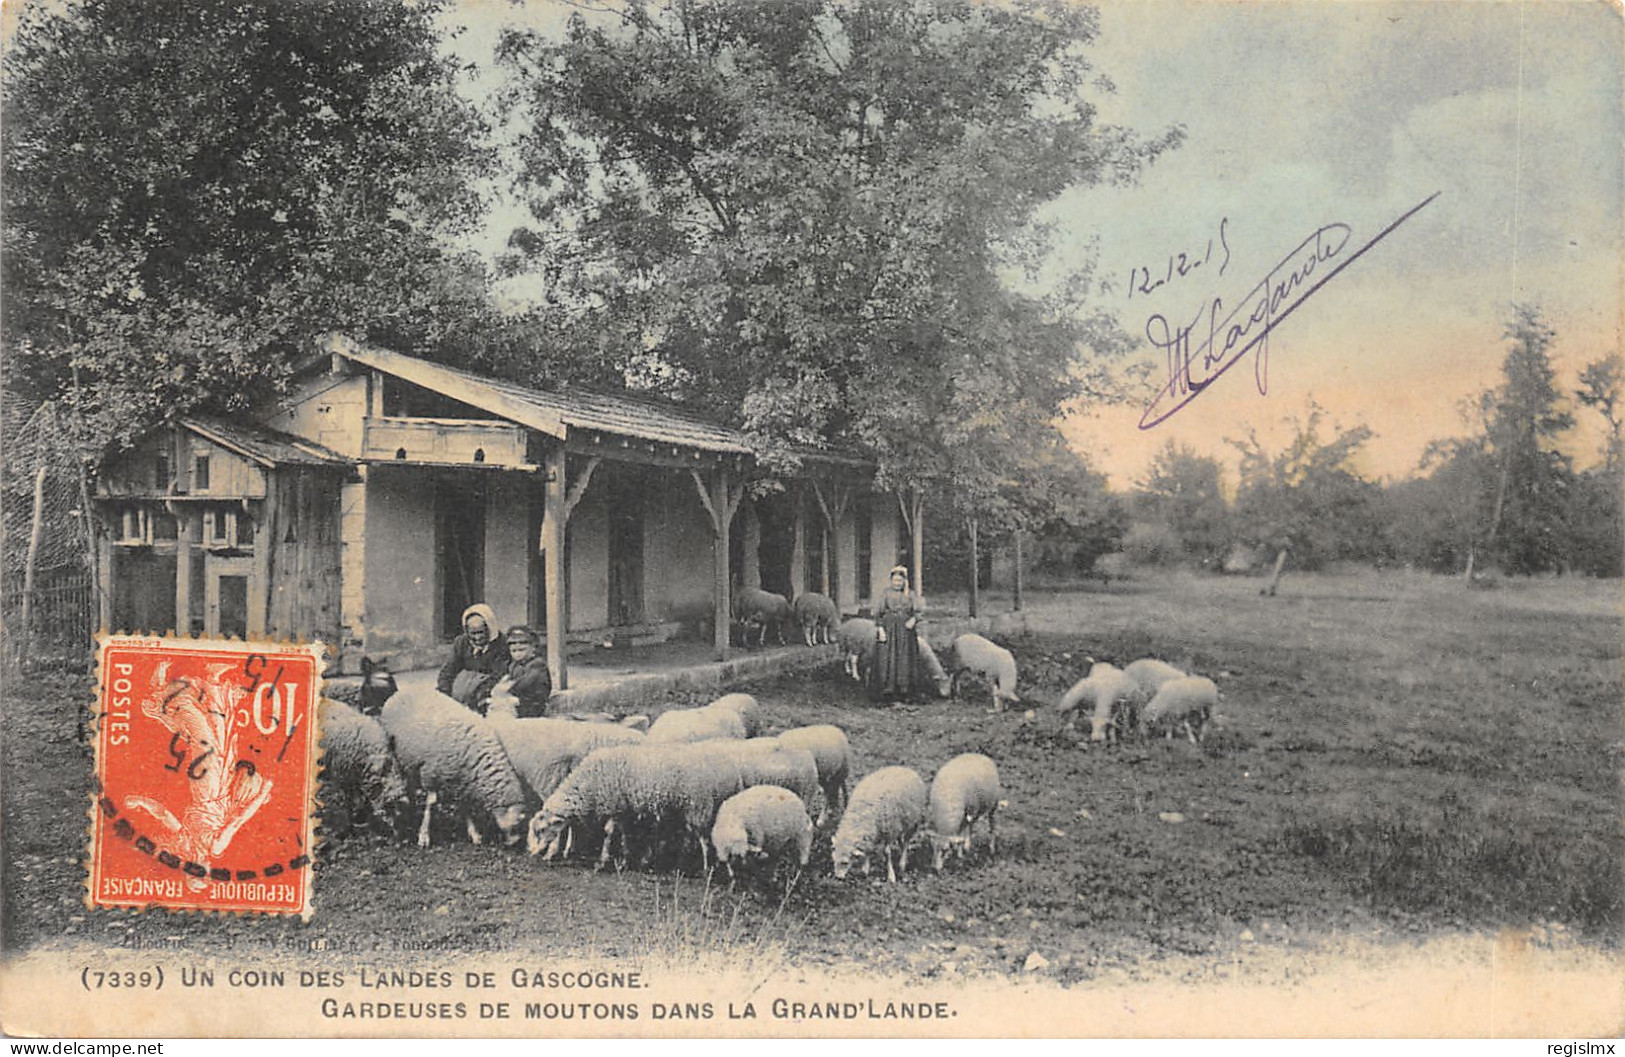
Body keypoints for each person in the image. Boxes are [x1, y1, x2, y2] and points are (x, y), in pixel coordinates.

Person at [437, 603, 510, 710]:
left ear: (489, 628)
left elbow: (498, 675)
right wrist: (445, 696)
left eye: (481, 632)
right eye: (473, 633)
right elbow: (448, 671)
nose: (477, 637)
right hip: (462, 696)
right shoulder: (461, 642)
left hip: (487, 696)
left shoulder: (502, 644)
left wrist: (475, 696)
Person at [870, 565, 922, 701]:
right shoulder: (886, 593)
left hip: (905, 631)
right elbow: (878, 613)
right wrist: (880, 629)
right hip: (889, 629)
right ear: (891, 581)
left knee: (905, 659)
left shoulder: (910, 594)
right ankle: (888, 690)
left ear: (904, 581)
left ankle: (905, 690)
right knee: (888, 659)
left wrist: (913, 620)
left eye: (900, 581)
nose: (897, 584)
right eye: (894, 581)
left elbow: (917, 611)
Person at [493, 624, 552, 718]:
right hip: (519, 699)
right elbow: (507, 677)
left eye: (522, 650)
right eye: (514, 651)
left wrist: (507, 688)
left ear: (533, 648)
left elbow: (526, 683)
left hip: (534, 703)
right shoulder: (514, 665)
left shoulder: (537, 664)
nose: (518, 654)